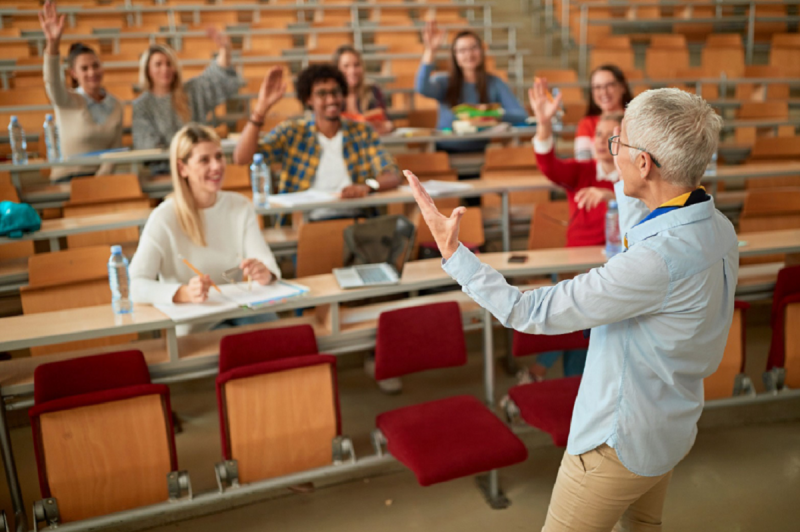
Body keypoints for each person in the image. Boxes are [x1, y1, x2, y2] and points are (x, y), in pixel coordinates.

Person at [407, 88, 735, 532]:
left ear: (644, 164)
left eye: (619, 141)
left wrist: (454, 252)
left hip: (617, 444)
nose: (610, 148)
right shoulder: (717, 226)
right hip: (670, 426)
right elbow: (648, 212)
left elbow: (528, 310)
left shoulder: (655, 260)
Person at [130, 123, 281, 335]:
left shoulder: (240, 206)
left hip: (242, 312)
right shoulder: (164, 217)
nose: (216, 166)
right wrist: (182, 293)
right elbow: (135, 285)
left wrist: (265, 273)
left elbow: (270, 265)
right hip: (198, 321)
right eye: (204, 160)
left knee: (278, 333)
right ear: (182, 168)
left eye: (219, 156)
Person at [519, 79, 624, 382]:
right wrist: (543, 123)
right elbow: (549, 165)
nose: (603, 141)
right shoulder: (583, 171)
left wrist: (611, 196)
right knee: (581, 310)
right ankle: (570, 383)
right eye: (599, 135)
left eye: (612, 136)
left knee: (581, 311)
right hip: (574, 264)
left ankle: (548, 374)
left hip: (613, 265)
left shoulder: (637, 179)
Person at [233, 64, 401, 221]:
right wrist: (261, 109)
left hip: (357, 220)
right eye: (322, 94)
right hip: (308, 223)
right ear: (308, 99)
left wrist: (367, 186)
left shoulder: (362, 132)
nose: (331, 100)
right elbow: (242, 158)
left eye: (335, 92)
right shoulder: (292, 132)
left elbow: (392, 174)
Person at [39, 0, 124, 181]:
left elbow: (114, 151)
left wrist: (97, 182)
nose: (92, 72)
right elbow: (52, 81)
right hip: (68, 178)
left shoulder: (116, 105)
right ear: (73, 74)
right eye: (84, 68)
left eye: (95, 66)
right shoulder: (67, 100)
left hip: (101, 181)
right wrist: (52, 45)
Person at [133, 33, 241, 173]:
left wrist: (225, 49)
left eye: (169, 63)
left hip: (199, 167)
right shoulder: (142, 105)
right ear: (147, 70)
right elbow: (148, 146)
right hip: (165, 170)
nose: (165, 69)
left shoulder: (191, 91)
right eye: (158, 64)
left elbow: (216, 77)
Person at [415, 21, 528, 153]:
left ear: (481, 51)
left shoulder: (494, 82)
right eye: (462, 50)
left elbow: (521, 115)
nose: (469, 54)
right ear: (455, 56)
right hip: (444, 152)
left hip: (481, 152)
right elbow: (422, 88)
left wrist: (488, 114)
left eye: (473, 48)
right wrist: (431, 51)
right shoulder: (444, 81)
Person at [575, 65, 632, 161]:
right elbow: (583, 163)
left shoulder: (637, 119)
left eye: (609, 85)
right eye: (597, 87)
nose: (604, 92)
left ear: (623, 87)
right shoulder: (586, 124)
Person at [333, 45, 394, 135]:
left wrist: (387, 126)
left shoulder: (373, 90)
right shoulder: (331, 95)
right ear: (337, 69)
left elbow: (387, 121)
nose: (352, 71)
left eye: (356, 65)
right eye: (346, 66)